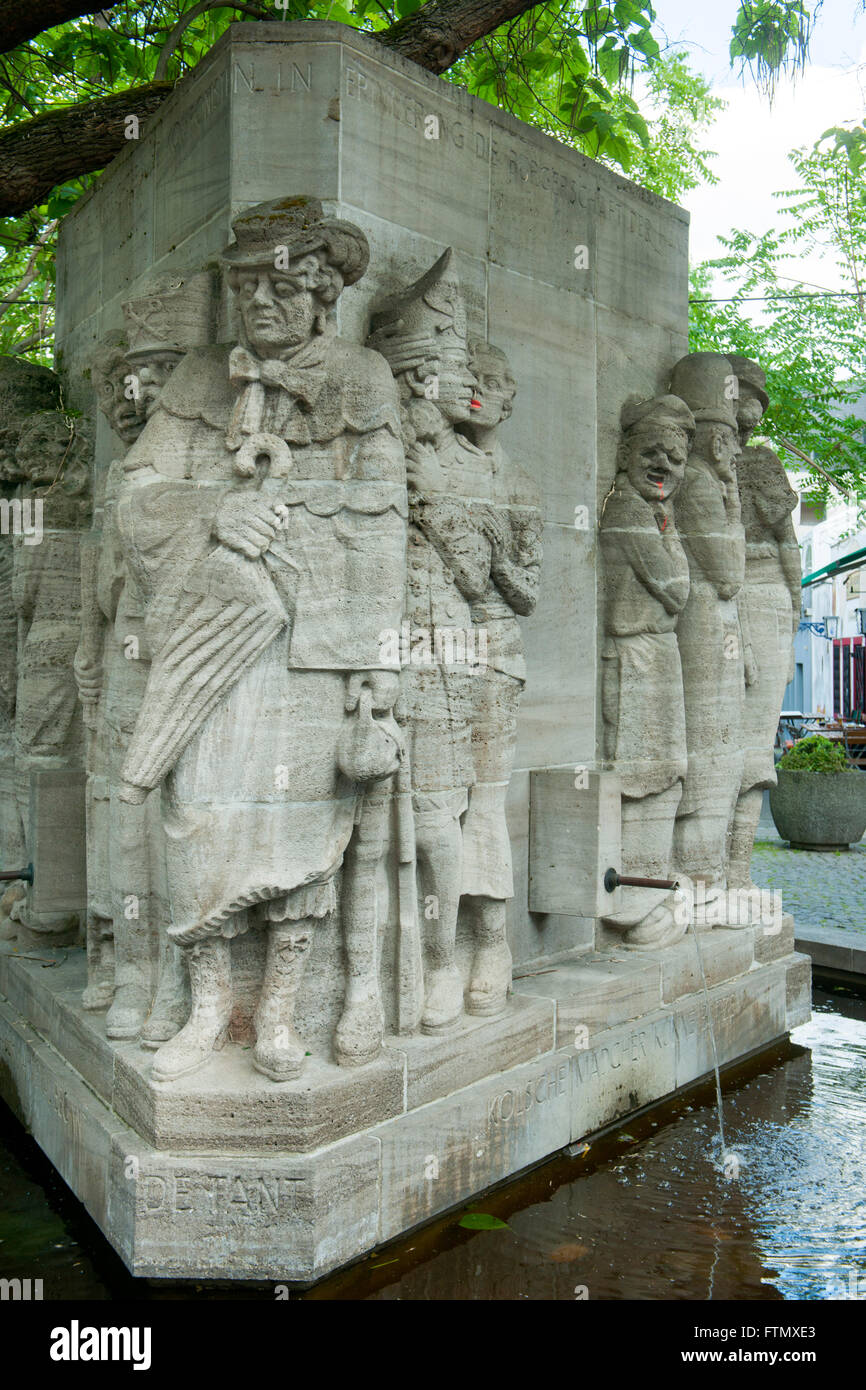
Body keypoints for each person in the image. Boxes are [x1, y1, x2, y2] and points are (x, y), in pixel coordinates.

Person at [116, 197, 407, 1083]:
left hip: (316, 647)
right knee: (197, 818)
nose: (263, 303)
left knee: (305, 831)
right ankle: (209, 1012)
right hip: (214, 637)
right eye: (246, 287)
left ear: (321, 292)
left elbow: (387, 523)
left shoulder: (362, 378)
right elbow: (136, 499)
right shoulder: (201, 380)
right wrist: (219, 512)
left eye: (281, 285)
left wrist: (376, 662)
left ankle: (278, 1015)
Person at [600, 393, 694, 947]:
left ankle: (649, 894)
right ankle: (636, 905)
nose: (664, 465)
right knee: (643, 779)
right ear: (625, 454)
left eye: (675, 459)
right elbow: (678, 588)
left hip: (656, 655)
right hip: (636, 657)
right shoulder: (629, 509)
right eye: (652, 452)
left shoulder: (656, 513)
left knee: (664, 777)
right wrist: (670, 541)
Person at [726, 355, 800, 902]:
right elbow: (787, 545)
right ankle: (731, 876)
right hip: (759, 598)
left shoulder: (720, 462)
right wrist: (794, 605)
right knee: (751, 746)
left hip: (737, 602)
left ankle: (730, 875)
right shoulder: (754, 464)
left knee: (743, 745)